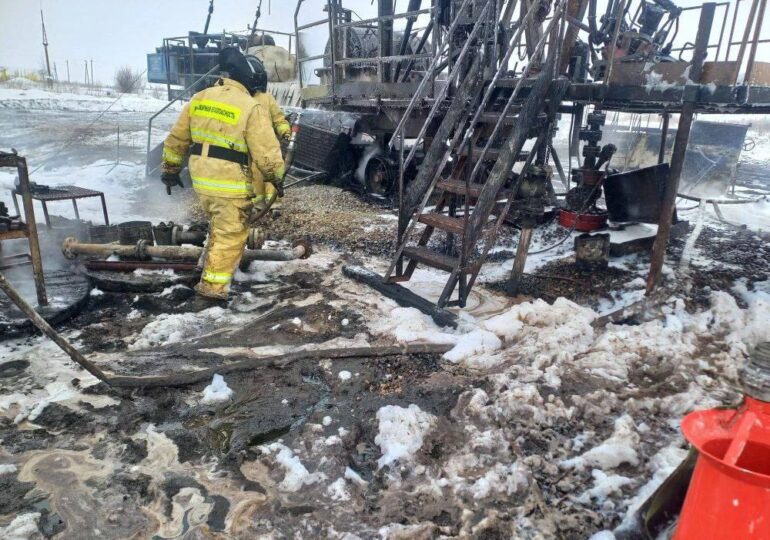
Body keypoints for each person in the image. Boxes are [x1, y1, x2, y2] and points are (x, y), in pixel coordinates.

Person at [160, 46, 284, 302]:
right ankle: (211, 292)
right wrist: (276, 178)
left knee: (218, 227)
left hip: (202, 181)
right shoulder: (250, 106)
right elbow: (267, 152)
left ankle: (203, 268)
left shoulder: (200, 98)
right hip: (229, 183)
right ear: (249, 79)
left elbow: (176, 139)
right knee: (231, 235)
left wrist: (170, 171)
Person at [250, 56, 291, 212]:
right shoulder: (242, 99)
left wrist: (285, 131)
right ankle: (258, 205)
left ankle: (274, 205)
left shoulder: (266, 98)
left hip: (267, 145)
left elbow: (279, 119)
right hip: (251, 147)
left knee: (273, 173)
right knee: (254, 176)